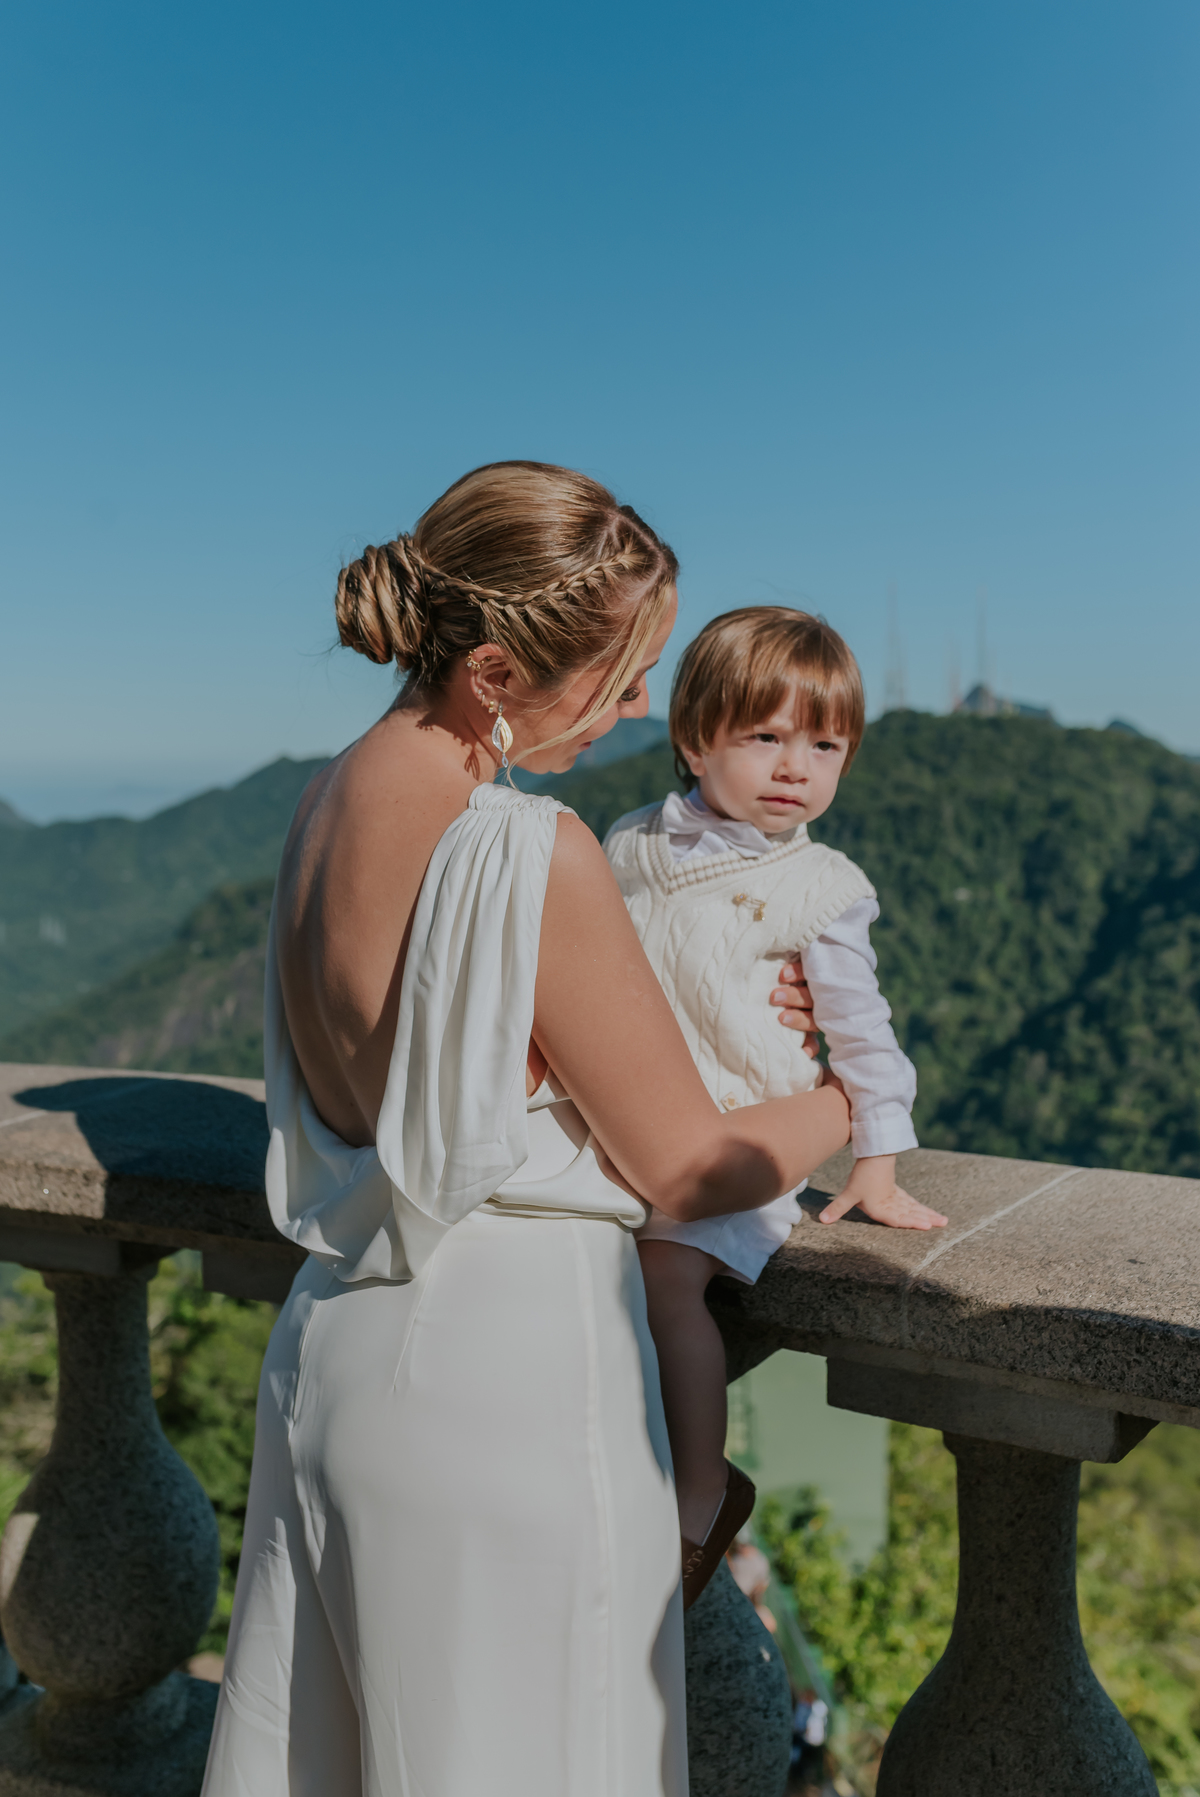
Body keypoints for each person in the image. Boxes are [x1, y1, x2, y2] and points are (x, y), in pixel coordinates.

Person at [201, 468, 852, 1797]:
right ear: (496, 669)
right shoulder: (526, 846)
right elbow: (686, 1162)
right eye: (620, 680)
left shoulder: (326, 804)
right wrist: (846, 1101)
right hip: (508, 1384)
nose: (632, 715)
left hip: (334, 1344)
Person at [603, 607, 947, 1605]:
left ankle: (700, 1498)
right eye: (764, 735)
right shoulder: (627, 844)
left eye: (825, 744)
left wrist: (874, 1163)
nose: (796, 766)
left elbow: (862, 1031)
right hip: (623, 1117)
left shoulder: (821, 887)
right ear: (693, 735)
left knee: (668, 1276)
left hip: (739, 1130)